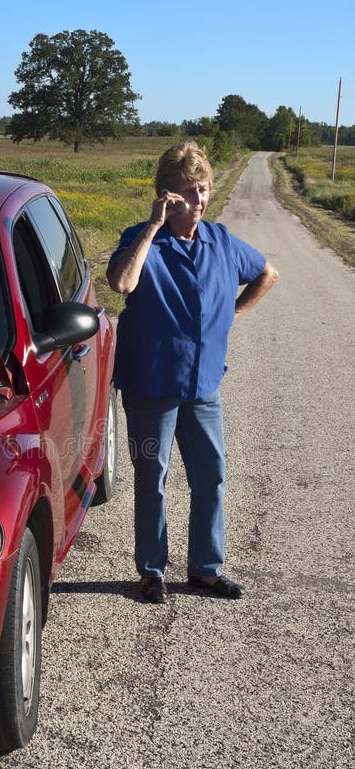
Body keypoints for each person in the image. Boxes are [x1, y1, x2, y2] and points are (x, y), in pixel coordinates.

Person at [107, 142, 278, 604]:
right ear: (167, 194)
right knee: (152, 479)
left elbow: (268, 273)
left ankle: (205, 569)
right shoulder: (143, 240)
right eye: (187, 190)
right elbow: (121, 283)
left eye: (203, 188)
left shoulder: (221, 242)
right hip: (151, 384)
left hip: (203, 386)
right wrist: (153, 225)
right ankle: (152, 572)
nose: (199, 199)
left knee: (211, 475)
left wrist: (235, 313)